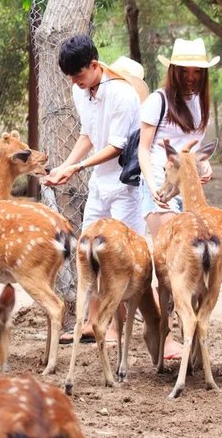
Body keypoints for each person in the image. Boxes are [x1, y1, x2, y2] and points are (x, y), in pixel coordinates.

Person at [44, 35, 145, 344]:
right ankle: (93, 322)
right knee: (87, 253)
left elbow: (116, 145)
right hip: (99, 184)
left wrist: (77, 168)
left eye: (78, 74)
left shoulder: (122, 94)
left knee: (120, 258)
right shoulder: (82, 91)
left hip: (125, 186)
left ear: (93, 65)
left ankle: (118, 327)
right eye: (70, 77)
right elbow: (88, 134)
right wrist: (65, 166)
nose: (74, 82)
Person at [137, 37, 218, 361]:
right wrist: (151, 182)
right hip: (160, 183)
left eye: (196, 71)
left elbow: (195, 148)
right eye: (184, 70)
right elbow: (144, 147)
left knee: (193, 259)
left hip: (188, 186)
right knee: (171, 261)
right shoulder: (157, 101)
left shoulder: (201, 102)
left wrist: (205, 164)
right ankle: (166, 333)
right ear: (174, 70)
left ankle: (192, 335)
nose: (190, 76)